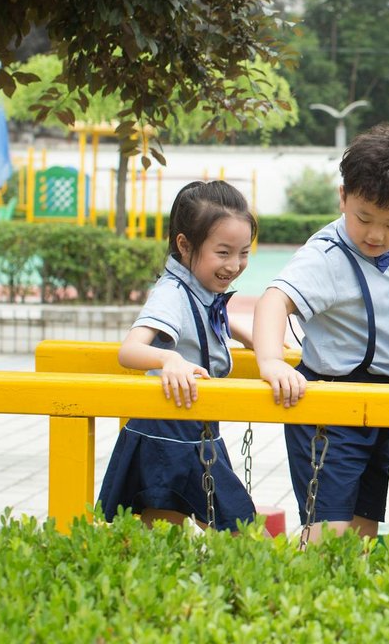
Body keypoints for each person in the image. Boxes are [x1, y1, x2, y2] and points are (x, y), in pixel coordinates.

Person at [252, 125, 389, 544]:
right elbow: (274, 300)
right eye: (363, 218)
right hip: (331, 409)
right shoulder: (327, 255)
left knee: (361, 530)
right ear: (343, 197)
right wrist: (270, 361)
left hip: (381, 406)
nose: (375, 235)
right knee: (331, 533)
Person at [98, 180, 257, 531]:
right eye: (223, 252)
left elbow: (211, 317)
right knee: (230, 525)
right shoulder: (171, 293)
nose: (234, 265)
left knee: (171, 528)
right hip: (166, 429)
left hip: (193, 426)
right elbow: (130, 350)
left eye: (243, 252)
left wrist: (250, 336)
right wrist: (168, 360)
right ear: (185, 245)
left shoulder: (198, 289)